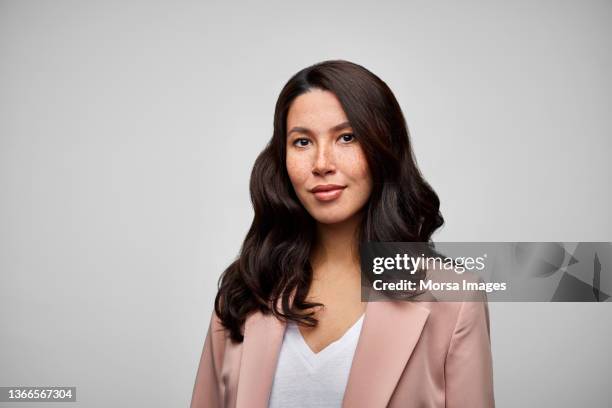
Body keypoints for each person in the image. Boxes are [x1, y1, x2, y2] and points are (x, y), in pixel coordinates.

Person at [190, 60, 495, 408]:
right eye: (302, 142)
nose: (322, 163)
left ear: (384, 149)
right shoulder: (244, 292)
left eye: (346, 138)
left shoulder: (455, 299)